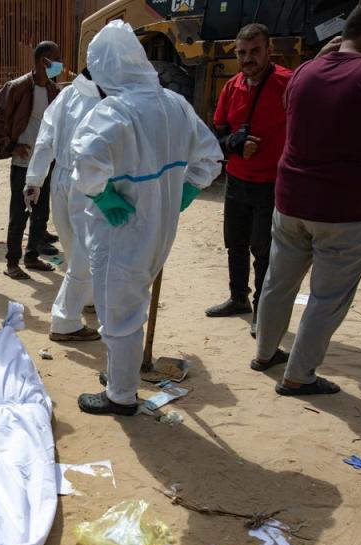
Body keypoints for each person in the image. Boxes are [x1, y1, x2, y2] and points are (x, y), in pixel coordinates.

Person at [252, 0, 361, 396]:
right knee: (327, 298)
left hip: (291, 200)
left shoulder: (305, 71)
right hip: (347, 209)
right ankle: (298, 376)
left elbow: (291, 110)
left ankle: (265, 354)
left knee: (278, 283)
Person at [71, 21, 223, 416]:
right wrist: (184, 192)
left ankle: (120, 396)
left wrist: (102, 195)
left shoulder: (114, 111)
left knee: (118, 313)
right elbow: (210, 158)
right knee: (129, 305)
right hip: (160, 229)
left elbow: (86, 161)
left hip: (121, 229)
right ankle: (120, 374)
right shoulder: (176, 104)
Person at [206, 23, 292, 337]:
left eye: (255, 51)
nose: (248, 58)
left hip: (271, 183)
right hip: (237, 180)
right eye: (242, 52)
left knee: (264, 249)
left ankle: (263, 310)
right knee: (236, 244)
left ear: (269, 50)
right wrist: (234, 143)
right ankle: (238, 298)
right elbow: (219, 130)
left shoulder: (286, 83)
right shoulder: (232, 86)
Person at [25, 69, 103, 342]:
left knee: (73, 246)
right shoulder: (110, 97)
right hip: (88, 181)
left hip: (61, 178)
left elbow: (45, 138)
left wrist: (35, 178)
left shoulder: (68, 94)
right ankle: (65, 319)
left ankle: (89, 298)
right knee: (85, 250)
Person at [0, 41, 62, 280]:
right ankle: (12, 261)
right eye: (56, 59)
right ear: (44, 61)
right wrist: (11, 146)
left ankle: (31, 256)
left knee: (41, 211)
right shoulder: (17, 87)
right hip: (23, 162)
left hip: (45, 162)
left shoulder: (54, 91)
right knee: (19, 213)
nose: (60, 64)